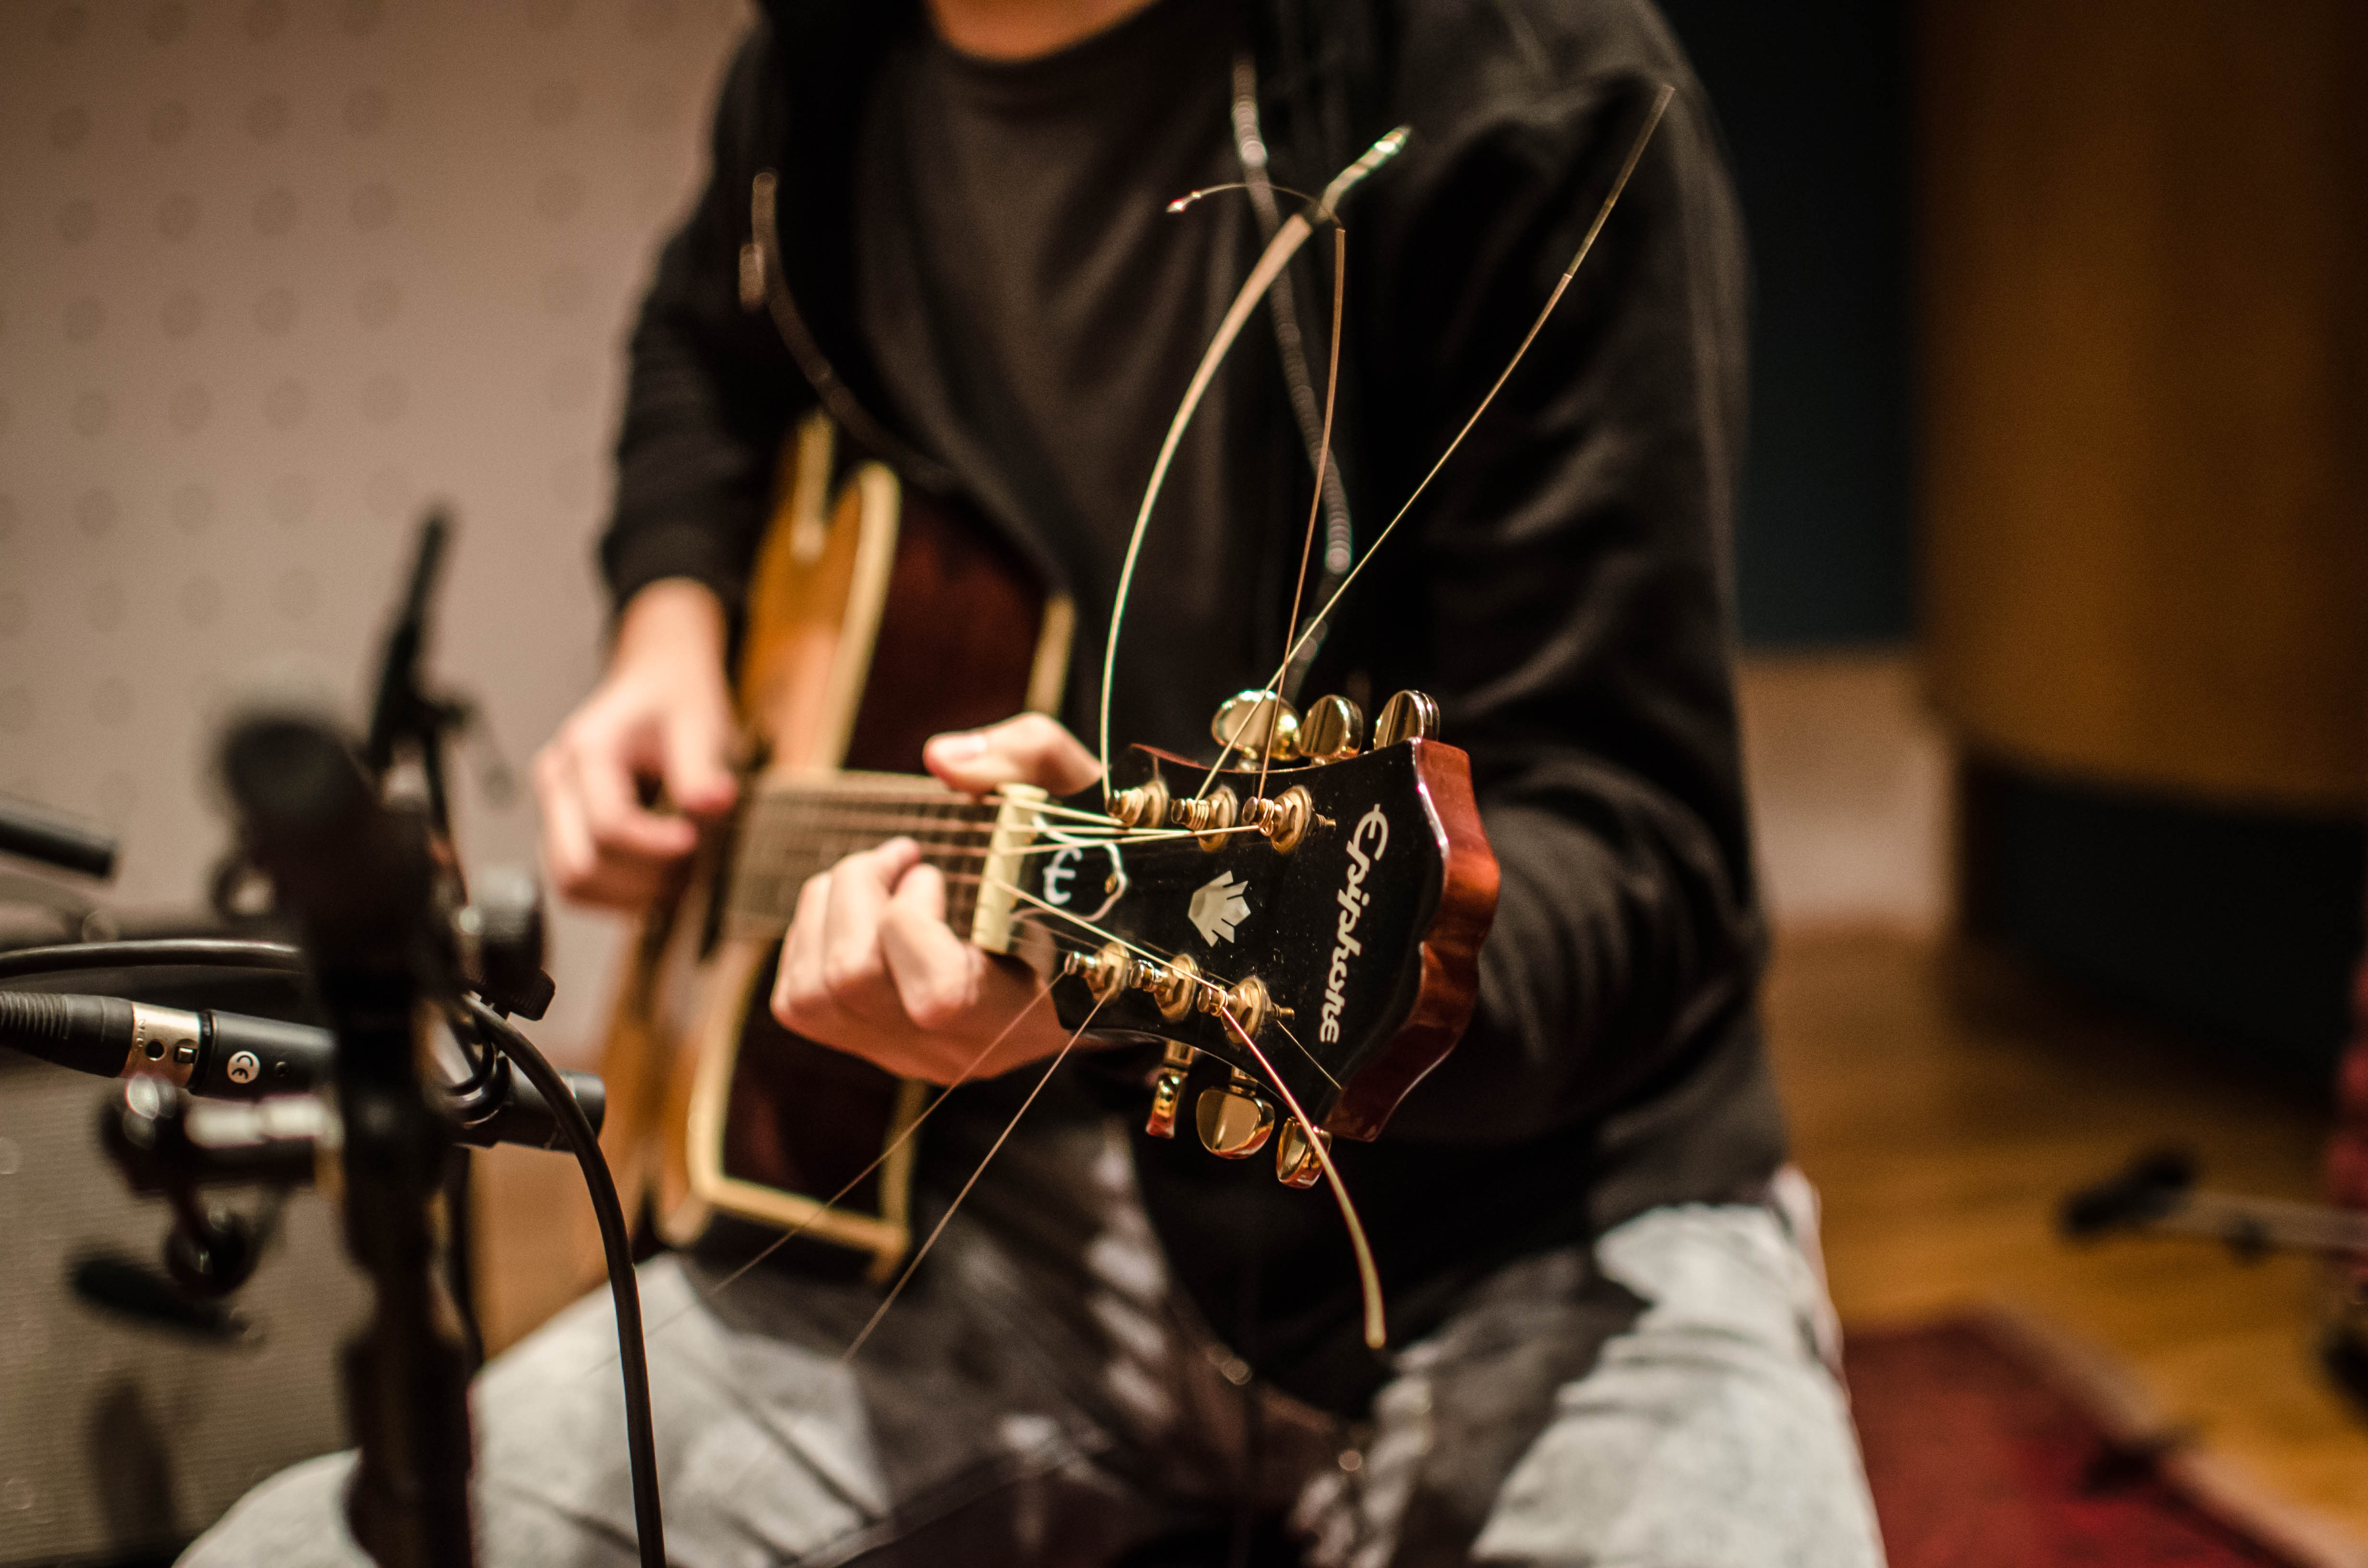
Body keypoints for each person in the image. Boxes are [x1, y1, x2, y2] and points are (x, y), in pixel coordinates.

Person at [186, 0, 1886, 1563]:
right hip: (987, 1217)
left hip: (1531, 1235)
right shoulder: (822, 63)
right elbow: (704, 345)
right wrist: (670, 621)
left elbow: (1637, 864)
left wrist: (1129, 998)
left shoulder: (1523, 86)